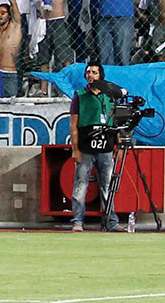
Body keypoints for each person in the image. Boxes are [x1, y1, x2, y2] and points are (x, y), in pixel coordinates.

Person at [69, 62, 128, 232]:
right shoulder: (79, 95)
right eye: (88, 72)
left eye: (94, 72)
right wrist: (75, 149)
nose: (91, 75)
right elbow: (73, 125)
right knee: (81, 184)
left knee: (107, 185)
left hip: (106, 147)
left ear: (100, 75)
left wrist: (118, 145)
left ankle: (111, 221)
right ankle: (78, 221)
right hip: (86, 146)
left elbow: (116, 123)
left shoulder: (110, 96)